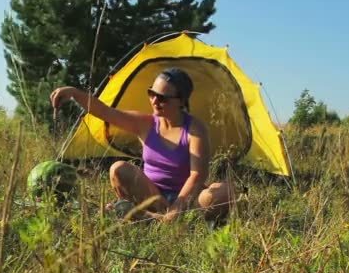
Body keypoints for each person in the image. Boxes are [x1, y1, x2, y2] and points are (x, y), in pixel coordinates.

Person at [50, 68, 234, 223]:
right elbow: (105, 112)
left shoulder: (194, 128)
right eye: (152, 94)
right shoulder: (145, 123)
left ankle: (147, 217)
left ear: (181, 101)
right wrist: (74, 93)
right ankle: (157, 216)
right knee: (118, 168)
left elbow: (198, 175)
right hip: (151, 195)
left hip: (187, 198)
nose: (155, 101)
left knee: (223, 193)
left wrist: (177, 208)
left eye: (163, 98)